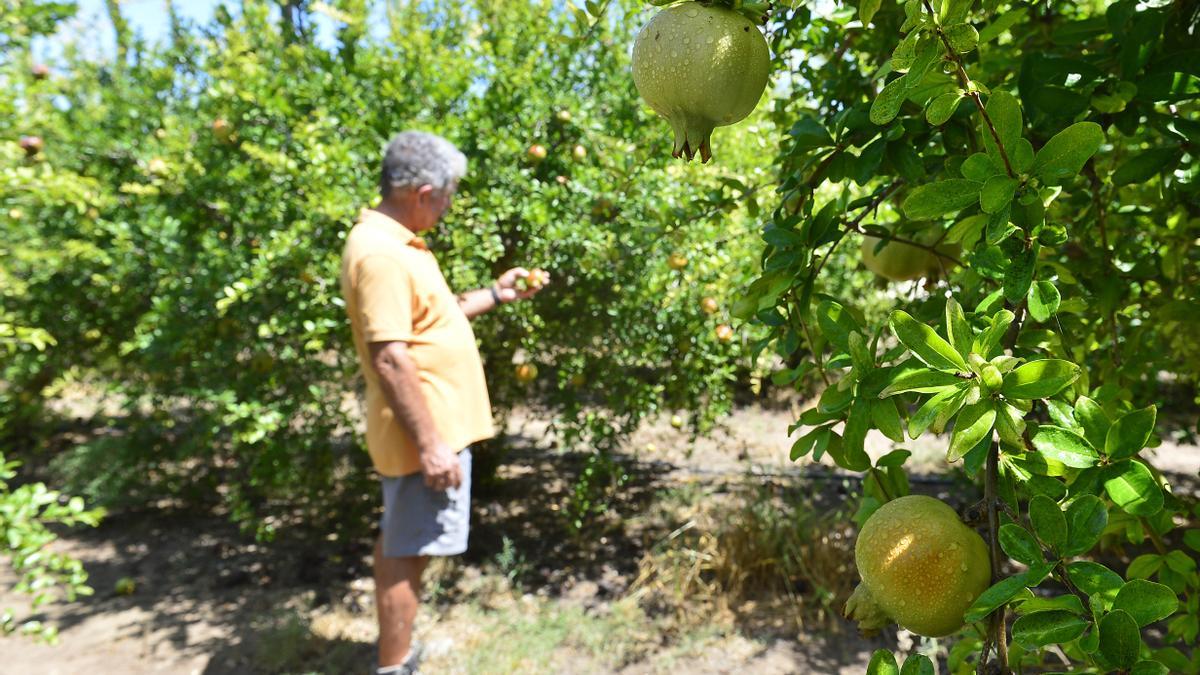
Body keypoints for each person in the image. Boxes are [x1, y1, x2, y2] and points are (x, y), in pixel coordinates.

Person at [339, 131, 548, 675]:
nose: (451, 202)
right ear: (422, 191)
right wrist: (432, 445)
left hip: (426, 428)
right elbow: (389, 357)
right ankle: (395, 667)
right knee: (407, 552)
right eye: (449, 192)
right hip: (421, 433)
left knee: (400, 544)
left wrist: (499, 294)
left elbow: (434, 318)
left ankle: (398, 654)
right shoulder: (383, 254)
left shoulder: (397, 242)